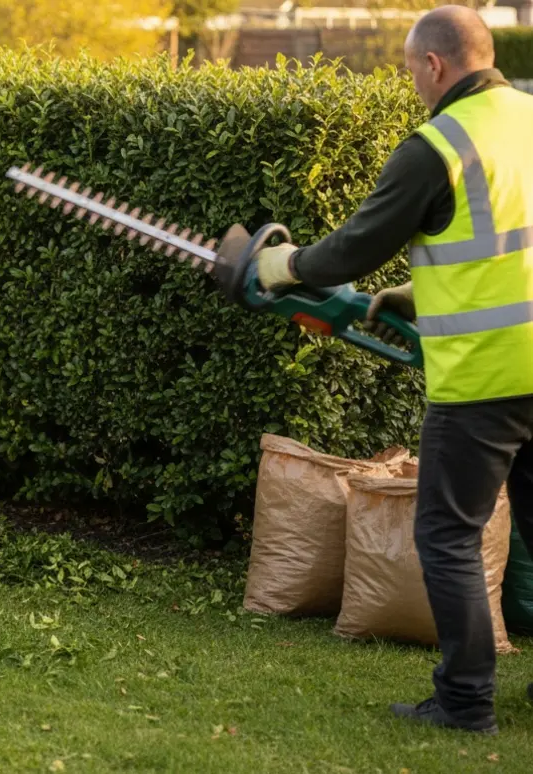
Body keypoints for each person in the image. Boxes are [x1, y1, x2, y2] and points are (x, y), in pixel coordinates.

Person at [252, 5, 533, 735]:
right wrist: (418, 289)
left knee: (445, 533)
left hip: (487, 378)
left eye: (412, 69)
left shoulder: (438, 145)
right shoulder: (528, 117)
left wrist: (283, 265)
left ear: (435, 65)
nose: (412, 82)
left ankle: (466, 702)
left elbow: (350, 250)